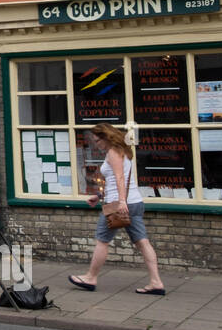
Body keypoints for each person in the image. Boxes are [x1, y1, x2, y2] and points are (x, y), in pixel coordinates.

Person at [70, 123, 166, 295]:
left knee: (102, 240)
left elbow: (119, 178)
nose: (96, 144)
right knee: (143, 242)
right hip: (135, 202)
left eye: (97, 140)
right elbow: (117, 181)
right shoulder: (124, 151)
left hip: (117, 205)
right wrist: (99, 197)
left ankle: (90, 277)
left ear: (106, 137)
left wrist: (121, 202)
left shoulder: (113, 152)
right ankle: (156, 282)